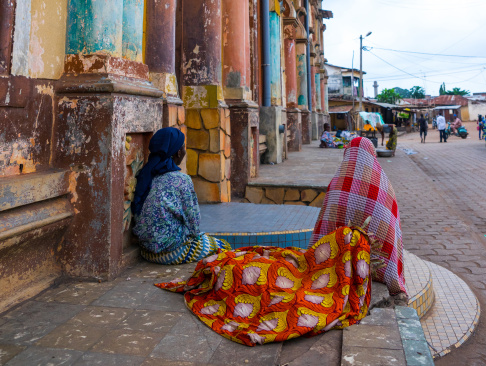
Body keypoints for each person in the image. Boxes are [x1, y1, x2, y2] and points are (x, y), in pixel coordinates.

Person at [157, 227, 372, 345]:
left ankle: (220, 271)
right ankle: (221, 270)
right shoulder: (333, 266)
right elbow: (311, 260)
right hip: (294, 266)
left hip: (288, 272)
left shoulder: (329, 286)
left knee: (246, 271)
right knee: (246, 263)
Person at [310, 137, 406, 298]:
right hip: (376, 265)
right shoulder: (384, 187)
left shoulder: (337, 185)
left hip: (335, 263)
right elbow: (391, 225)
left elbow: (325, 227)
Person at [132, 127, 230, 264]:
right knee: (222, 246)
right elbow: (194, 224)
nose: (184, 151)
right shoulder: (181, 180)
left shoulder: (145, 176)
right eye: (183, 147)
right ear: (178, 152)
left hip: (146, 251)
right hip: (169, 253)